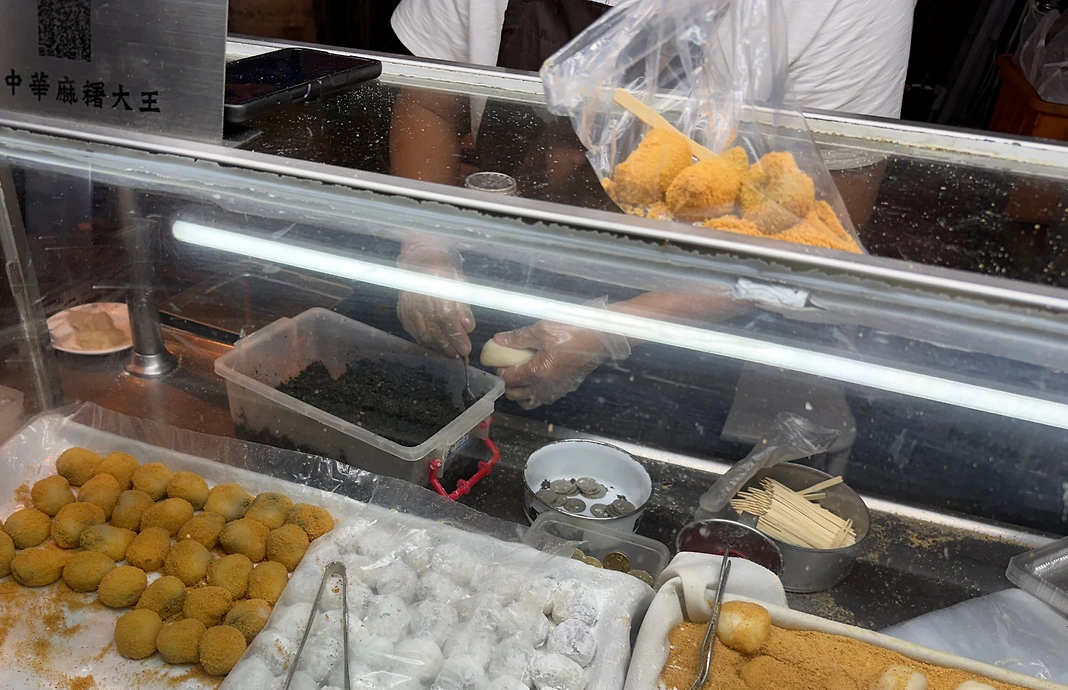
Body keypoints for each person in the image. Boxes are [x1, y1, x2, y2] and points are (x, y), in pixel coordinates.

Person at [386, 0, 916, 408]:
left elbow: (822, 224)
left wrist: (614, 331)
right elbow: (429, 102)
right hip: (486, 277)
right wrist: (424, 244)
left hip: (692, 317)